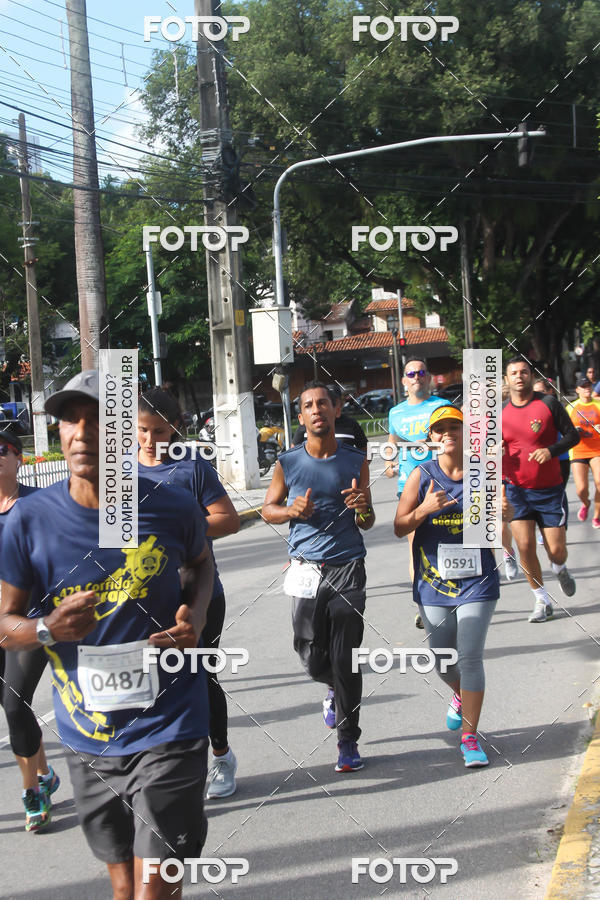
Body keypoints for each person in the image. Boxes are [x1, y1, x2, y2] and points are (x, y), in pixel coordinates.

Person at [0, 371, 215, 900]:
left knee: (153, 886)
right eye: (70, 420)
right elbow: (5, 625)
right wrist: (47, 628)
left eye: (96, 419)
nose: (80, 432)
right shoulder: (29, 520)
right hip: (88, 732)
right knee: (122, 883)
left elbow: (202, 566)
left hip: (171, 720)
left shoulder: (171, 505)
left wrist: (196, 615)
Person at [263, 380, 374, 773]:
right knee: (311, 657)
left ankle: (348, 741)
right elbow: (267, 510)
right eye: (308, 405)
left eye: (323, 403)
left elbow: (368, 520)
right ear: (301, 416)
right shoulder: (288, 462)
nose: (316, 410)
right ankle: (332, 687)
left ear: (335, 409)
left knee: (346, 658)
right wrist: (291, 511)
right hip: (306, 569)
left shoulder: (355, 459)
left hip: (347, 566)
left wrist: (362, 509)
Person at [137, 387, 241, 797]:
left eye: (159, 432)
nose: (149, 441)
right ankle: (162, 763)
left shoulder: (191, 468)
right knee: (152, 684)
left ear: (175, 428)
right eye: (142, 431)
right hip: (144, 597)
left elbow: (228, 520)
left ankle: (221, 757)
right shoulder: (120, 473)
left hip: (200, 593)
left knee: (200, 677)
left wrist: (183, 528)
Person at [394, 406, 511, 768]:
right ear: (431, 438)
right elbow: (399, 527)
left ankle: (470, 737)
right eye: (439, 429)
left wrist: (503, 515)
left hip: (478, 579)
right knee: (443, 660)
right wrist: (425, 508)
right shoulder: (421, 475)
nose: (447, 434)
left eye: (454, 428)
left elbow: (497, 528)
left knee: (471, 656)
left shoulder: (483, 474)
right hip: (434, 583)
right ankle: (459, 694)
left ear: (465, 434)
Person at [0, 429, 60, 832]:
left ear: (19, 458)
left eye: (0, 450)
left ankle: (32, 791)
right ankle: (45, 773)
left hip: (29, 618)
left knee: (15, 703)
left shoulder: (39, 504)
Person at [502, 358, 580, 623]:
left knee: (556, 550)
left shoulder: (547, 403)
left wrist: (551, 451)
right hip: (517, 490)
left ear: (530, 375)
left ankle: (559, 567)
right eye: (513, 373)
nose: (519, 376)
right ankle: (541, 600)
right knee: (524, 546)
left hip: (549, 491)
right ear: (507, 379)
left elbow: (573, 436)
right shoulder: (500, 413)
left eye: (523, 371)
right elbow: (489, 453)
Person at [385, 359, 451, 628]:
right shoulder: (395, 412)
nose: (417, 377)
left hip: (442, 481)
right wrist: (390, 462)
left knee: (445, 542)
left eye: (422, 372)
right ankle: (422, 604)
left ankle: (451, 594)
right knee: (416, 548)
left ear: (429, 377)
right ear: (404, 381)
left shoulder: (440, 407)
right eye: (411, 373)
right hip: (410, 485)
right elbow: (392, 442)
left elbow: (452, 437)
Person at [292, 383, 368, 452]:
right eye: (323, 403)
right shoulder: (308, 425)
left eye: (335, 401)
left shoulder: (351, 424)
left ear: (341, 403)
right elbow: (293, 451)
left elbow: (367, 450)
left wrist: (357, 465)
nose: (316, 410)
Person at [566, 376, 600, 528]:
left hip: (597, 450)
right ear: (577, 390)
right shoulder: (570, 407)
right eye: (583, 386)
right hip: (578, 451)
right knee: (581, 489)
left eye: (588, 385)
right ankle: (585, 503)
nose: (587, 388)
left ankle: (596, 516)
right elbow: (564, 430)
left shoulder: (598, 405)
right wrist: (574, 431)